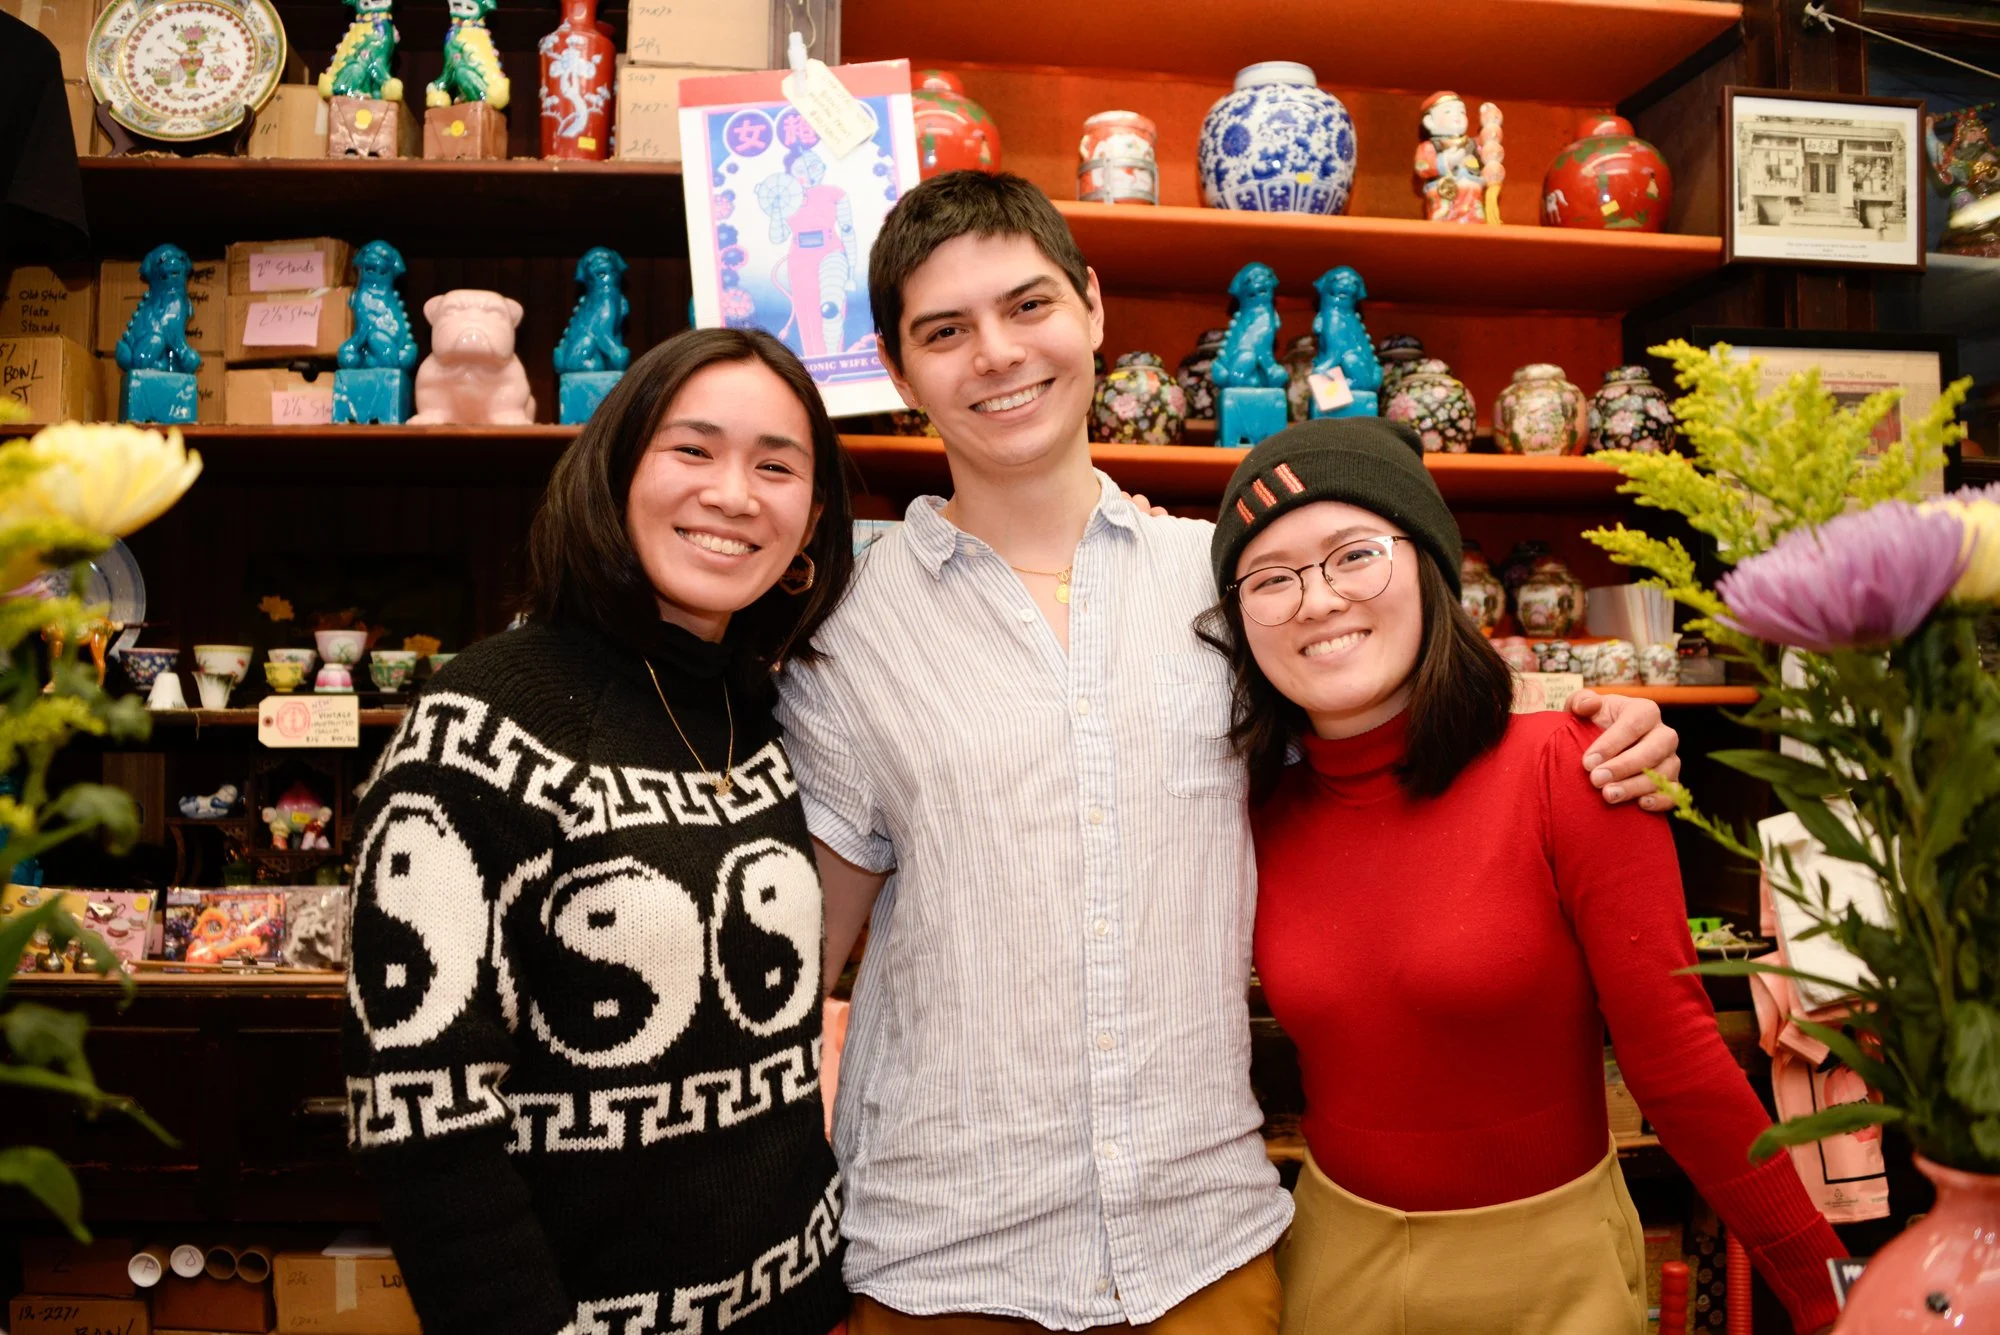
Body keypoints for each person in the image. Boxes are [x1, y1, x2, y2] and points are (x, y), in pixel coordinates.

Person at [774, 169, 1686, 1334]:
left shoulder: (1223, 582)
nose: (996, 354)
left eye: (1028, 306)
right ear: (898, 371)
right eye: (944, 331)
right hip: (942, 1263)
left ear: (1092, 309)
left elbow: (1401, 733)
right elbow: (804, 966)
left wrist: (1589, 728)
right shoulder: (849, 623)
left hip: (1202, 1252)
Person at [1209, 417, 1844, 1335]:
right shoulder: (1249, 807)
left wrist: (1829, 1288)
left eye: (1354, 555)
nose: (1317, 601)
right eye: (1271, 579)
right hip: (1332, 1266)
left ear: (1429, 566)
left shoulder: (1575, 763)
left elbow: (1679, 1064)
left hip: (1555, 1274)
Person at [341, 327, 857, 1335]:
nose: (735, 495)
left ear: (811, 519)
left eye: (776, 465)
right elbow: (420, 1112)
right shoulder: (482, 718)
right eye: (693, 450)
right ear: (614, 470)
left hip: (803, 1306)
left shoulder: (758, 709)